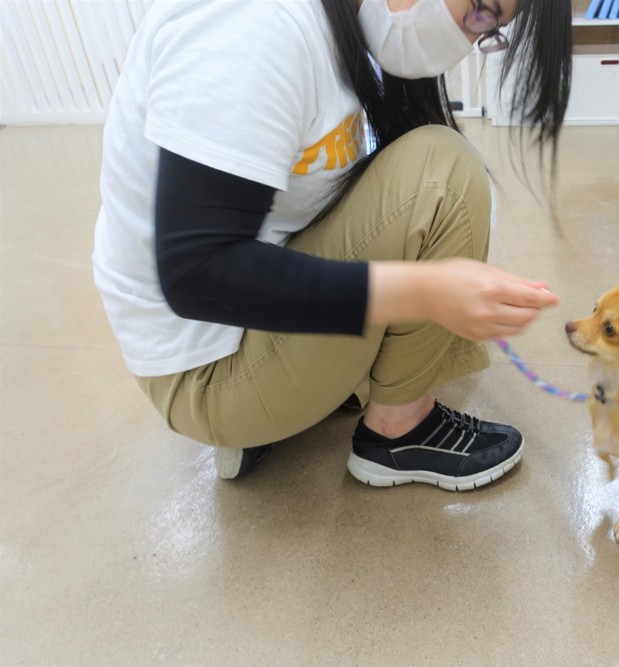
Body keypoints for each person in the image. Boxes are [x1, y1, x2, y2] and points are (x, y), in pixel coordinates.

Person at [92, 0, 573, 487]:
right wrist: (423, 291)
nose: (469, 39)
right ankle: (399, 431)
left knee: (421, 191)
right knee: (443, 175)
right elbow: (196, 274)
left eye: (489, 29)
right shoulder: (255, 25)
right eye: (482, 11)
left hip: (237, 326)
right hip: (208, 373)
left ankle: (284, 407)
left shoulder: (344, 22)